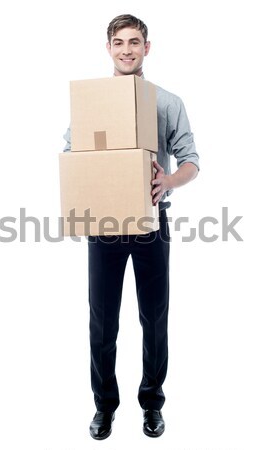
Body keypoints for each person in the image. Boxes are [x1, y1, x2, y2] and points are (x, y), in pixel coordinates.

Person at [63, 14, 200, 440]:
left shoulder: (167, 102)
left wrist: (168, 181)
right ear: (109, 48)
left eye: (134, 42)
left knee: (154, 317)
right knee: (102, 320)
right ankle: (104, 406)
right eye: (119, 42)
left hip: (150, 222)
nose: (127, 49)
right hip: (103, 221)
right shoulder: (93, 102)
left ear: (147, 48)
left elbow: (191, 161)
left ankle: (152, 404)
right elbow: (72, 152)